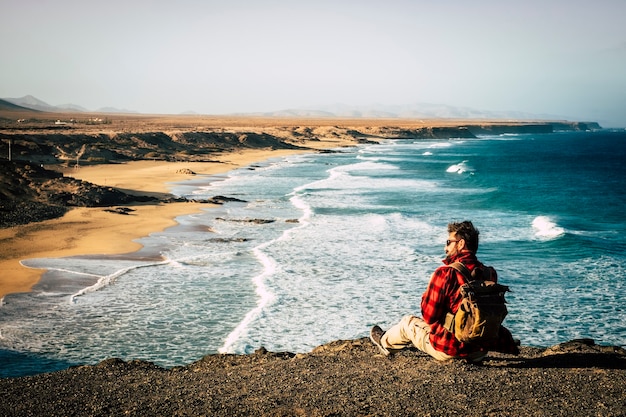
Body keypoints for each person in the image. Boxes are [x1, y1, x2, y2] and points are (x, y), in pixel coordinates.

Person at [370, 220, 519, 362]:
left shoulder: (445, 273)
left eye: (449, 242)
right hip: (479, 351)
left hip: (449, 350)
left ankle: (384, 343)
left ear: (461, 244)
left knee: (407, 323)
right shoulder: (489, 273)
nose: (445, 248)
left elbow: (429, 315)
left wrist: (427, 294)